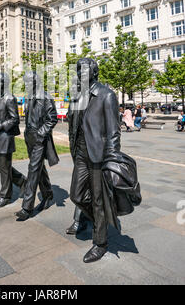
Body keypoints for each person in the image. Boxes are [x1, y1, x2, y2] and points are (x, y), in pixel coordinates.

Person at [69, 58, 122, 263]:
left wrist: (112, 161)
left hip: (99, 155)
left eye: (83, 71)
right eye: (78, 71)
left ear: (93, 72)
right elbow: (73, 125)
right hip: (81, 154)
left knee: (98, 199)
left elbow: (114, 132)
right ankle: (101, 221)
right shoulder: (78, 96)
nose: (80, 74)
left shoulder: (106, 95)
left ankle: (100, 242)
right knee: (76, 195)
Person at [15, 71, 59, 221]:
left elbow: (52, 119)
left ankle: (26, 207)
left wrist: (41, 134)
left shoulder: (45, 97)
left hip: (40, 138)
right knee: (39, 168)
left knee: (33, 170)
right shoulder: (28, 97)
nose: (26, 84)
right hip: (30, 137)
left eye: (28, 82)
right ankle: (48, 194)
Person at [0, 72, 26, 209]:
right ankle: (22, 181)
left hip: (4, 136)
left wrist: (1, 126)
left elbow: (15, 119)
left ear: (5, 83)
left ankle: (5, 196)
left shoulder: (9, 98)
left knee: (4, 168)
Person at [66, 75, 88, 236]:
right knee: (81, 189)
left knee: (80, 191)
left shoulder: (94, 99)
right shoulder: (74, 101)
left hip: (92, 150)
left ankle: (79, 220)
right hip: (77, 149)